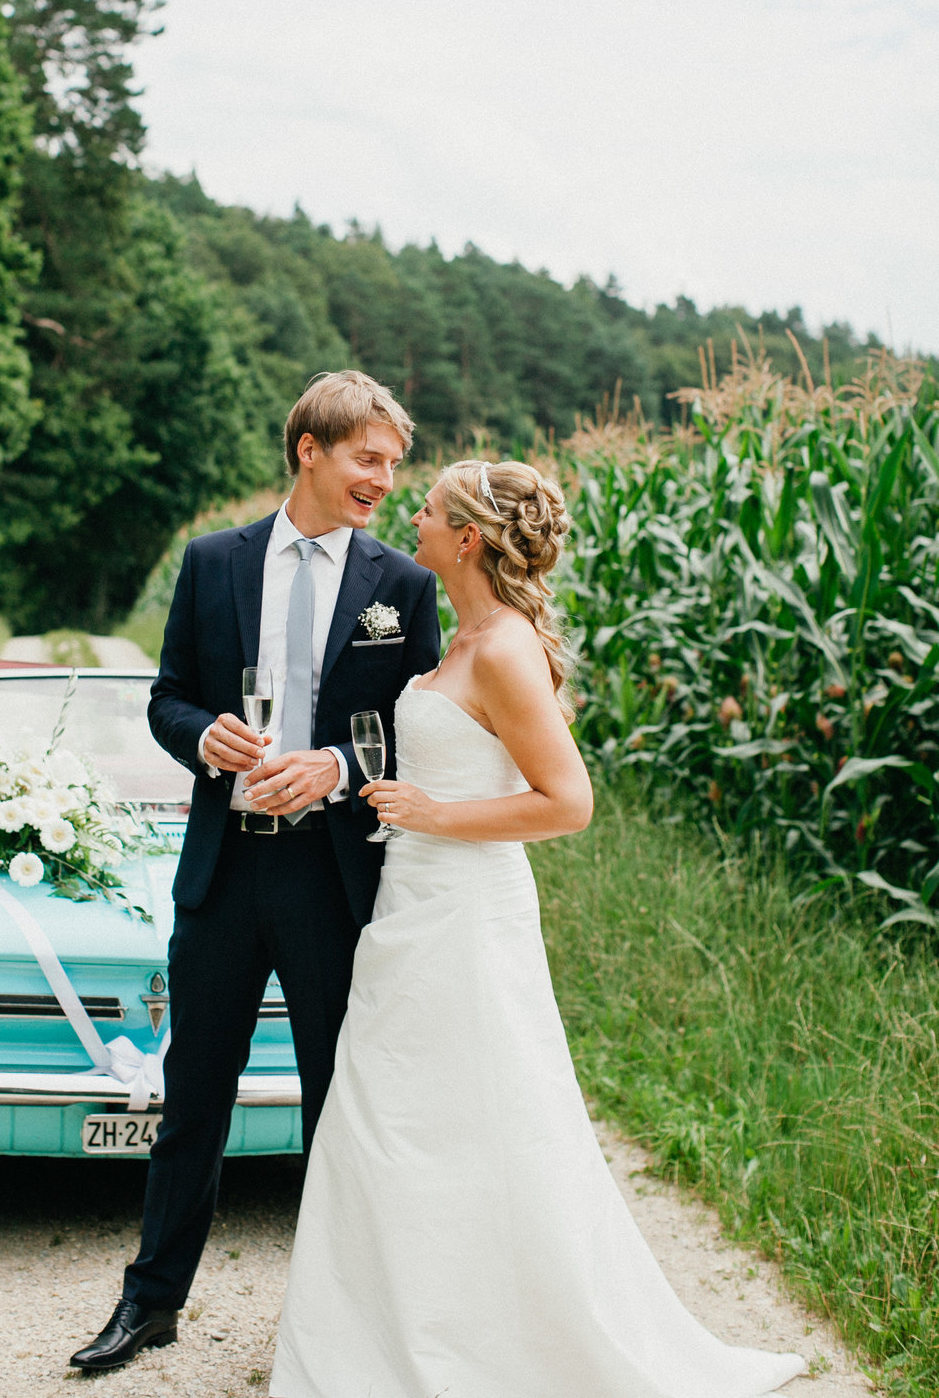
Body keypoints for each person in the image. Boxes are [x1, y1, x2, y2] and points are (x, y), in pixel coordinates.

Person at [270, 459, 807, 1398]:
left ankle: (496, 1347)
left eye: (429, 510)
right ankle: (394, 1340)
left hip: (468, 915)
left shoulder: (506, 647)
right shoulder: (461, 635)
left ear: (468, 539)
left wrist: (431, 814)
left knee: (480, 1126)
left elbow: (568, 803)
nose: (414, 518)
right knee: (394, 1127)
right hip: (412, 905)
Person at [70, 371, 441, 1372]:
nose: (384, 481)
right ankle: (150, 1303)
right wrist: (205, 740)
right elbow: (167, 698)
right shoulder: (211, 563)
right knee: (194, 1094)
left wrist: (340, 765)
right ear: (310, 451)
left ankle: (337, 1320)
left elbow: (425, 733)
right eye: (370, 459)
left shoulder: (402, 585)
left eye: (394, 465)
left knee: (336, 1100)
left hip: (332, 881)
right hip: (225, 873)